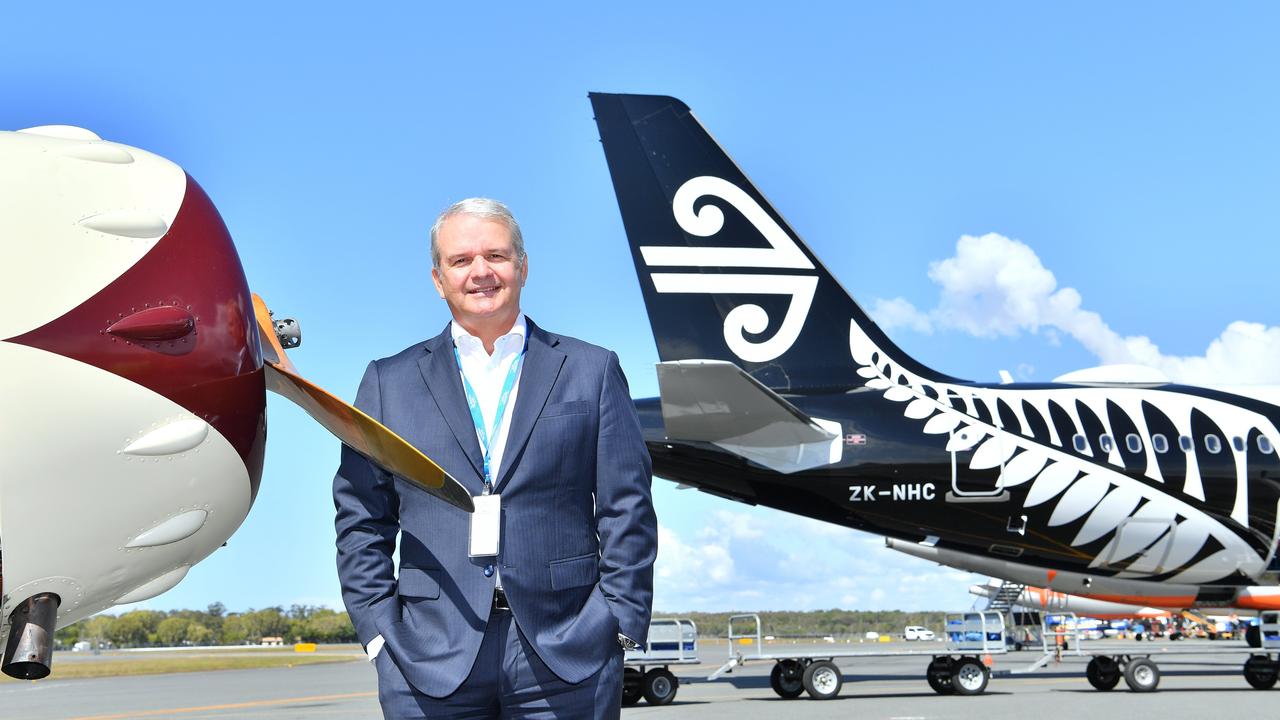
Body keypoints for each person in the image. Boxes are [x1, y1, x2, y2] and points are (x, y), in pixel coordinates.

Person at [333, 198, 657, 718]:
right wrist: (378, 633)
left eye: (496, 256)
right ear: (438, 279)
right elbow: (361, 518)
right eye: (461, 261)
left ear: (522, 267)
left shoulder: (591, 370)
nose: (481, 272)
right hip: (427, 654)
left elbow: (628, 508)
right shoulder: (387, 383)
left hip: (566, 650)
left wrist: (616, 623)